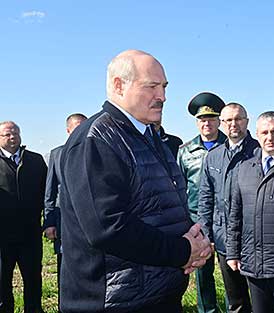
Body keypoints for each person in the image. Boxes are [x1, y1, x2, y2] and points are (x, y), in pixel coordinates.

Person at [59, 49, 211, 313]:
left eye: (164, 87)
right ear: (119, 85)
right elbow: (109, 228)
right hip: (115, 302)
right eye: (151, 86)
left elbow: (162, 207)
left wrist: (192, 243)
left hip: (156, 292)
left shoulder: (147, 136)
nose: (162, 96)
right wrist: (181, 250)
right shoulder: (96, 141)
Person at [226, 111, 274, 313]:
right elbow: (235, 215)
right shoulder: (244, 169)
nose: (270, 137)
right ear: (257, 134)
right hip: (253, 265)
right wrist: (233, 253)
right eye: (265, 132)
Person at [198, 103, 257, 313]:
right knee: (236, 300)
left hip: (254, 238)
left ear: (247, 121)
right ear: (221, 124)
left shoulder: (258, 152)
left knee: (261, 299)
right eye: (228, 120)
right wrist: (207, 235)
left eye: (238, 118)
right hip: (223, 238)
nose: (234, 124)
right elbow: (205, 199)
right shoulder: (213, 157)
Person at [177, 92, 227, 313]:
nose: (206, 123)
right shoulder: (185, 152)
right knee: (202, 270)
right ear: (197, 123)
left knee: (231, 271)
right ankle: (207, 310)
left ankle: (235, 308)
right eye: (202, 119)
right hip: (197, 219)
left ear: (219, 120)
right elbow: (178, 188)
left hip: (227, 218)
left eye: (211, 118)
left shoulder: (232, 146)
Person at [0, 121, 47, 313]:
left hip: (30, 233)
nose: (13, 138)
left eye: (16, 134)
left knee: (33, 279)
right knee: (2, 282)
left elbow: (47, 193)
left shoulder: (35, 161)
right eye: (7, 135)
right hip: (2, 236)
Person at [43, 113, 87, 312]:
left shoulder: (95, 149)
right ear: (68, 130)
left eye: (84, 126)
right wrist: (49, 222)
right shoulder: (57, 153)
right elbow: (50, 191)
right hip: (64, 222)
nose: (80, 130)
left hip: (90, 221)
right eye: (76, 126)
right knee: (65, 268)